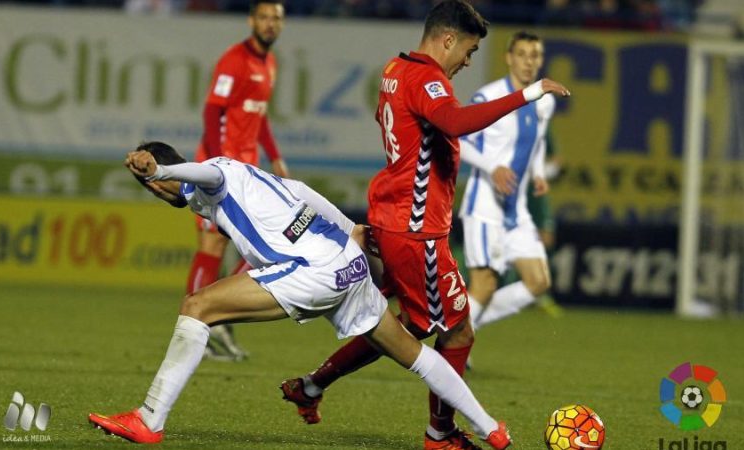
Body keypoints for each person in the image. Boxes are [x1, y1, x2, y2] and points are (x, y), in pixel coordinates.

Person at [87, 142, 512, 449]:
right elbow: (301, 191)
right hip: (347, 262)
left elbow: (208, 174)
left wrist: (158, 172)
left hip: (314, 271)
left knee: (197, 306)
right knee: (414, 355)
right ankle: (492, 430)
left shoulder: (216, 173)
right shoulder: (244, 183)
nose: (155, 190)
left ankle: (148, 420)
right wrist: (349, 228)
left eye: (152, 182)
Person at [279, 3, 570, 449]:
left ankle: (312, 385)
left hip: (393, 218)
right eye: (469, 50)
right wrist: (528, 94)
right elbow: (454, 123)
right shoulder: (427, 78)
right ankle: (442, 434)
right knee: (457, 330)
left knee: (404, 327)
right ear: (448, 39)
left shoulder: (395, 69)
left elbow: (397, 127)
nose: (467, 62)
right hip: (416, 231)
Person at [188, 0, 289, 362]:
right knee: (212, 244)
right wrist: (216, 163)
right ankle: (197, 323)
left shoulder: (270, 63)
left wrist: (275, 155)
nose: (269, 24)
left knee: (260, 245)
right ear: (251, 21)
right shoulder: (234, 59)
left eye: (275, 18)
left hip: (248, 170)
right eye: (263, 18)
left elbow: (258, 117)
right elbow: (212, 111)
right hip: (222, 168)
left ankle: (217, 317)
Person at [458, 31, 556, 330]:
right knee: (484, 286)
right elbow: (458, 140)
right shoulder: (489, 97)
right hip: (485, 207)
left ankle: (463, 330)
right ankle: (454, 344)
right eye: (522, 54)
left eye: (535, 55)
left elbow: (536, 141)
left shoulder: (544, 101)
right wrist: (492, 167)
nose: (529, 62)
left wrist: (538, 172)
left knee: (538, 281)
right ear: (509, 58)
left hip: (517, 210)